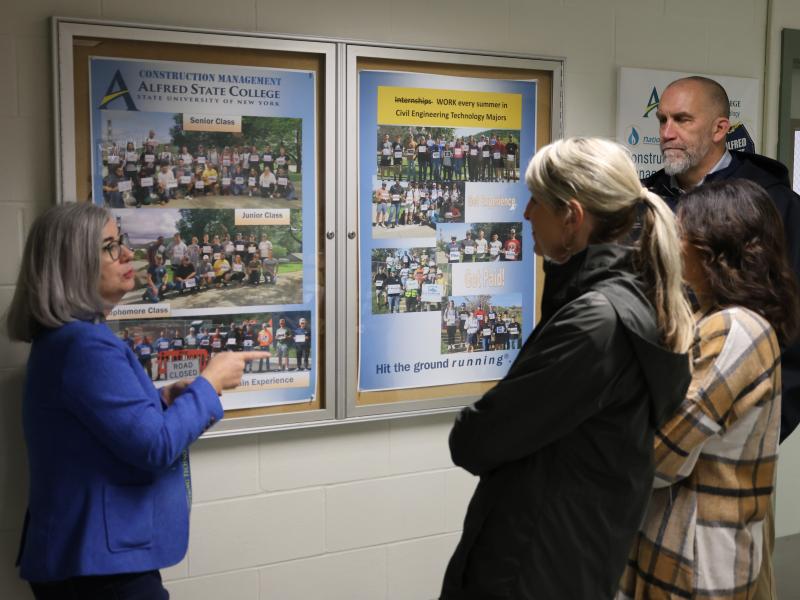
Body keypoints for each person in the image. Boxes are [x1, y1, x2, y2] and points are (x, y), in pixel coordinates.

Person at [440, 137, 694, 599]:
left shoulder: (596, 322)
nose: (525, 214)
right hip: (566, 554)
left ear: (572, 217)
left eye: (536, 200)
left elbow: (476, 439)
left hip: (535, 567)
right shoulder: (631, 299)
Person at [7, 203, 262, 598]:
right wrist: (210, 382)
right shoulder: (83, 345)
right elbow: (155, 446)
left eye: (121, 242)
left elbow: (97, 426)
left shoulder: (67, 340)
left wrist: (165, 399)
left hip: (91, 559)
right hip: (98, 567)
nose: (128, 254)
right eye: (109, 246)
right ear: (74, 263)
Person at [618, 179, 800, 600]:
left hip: (697, 570)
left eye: (680, 234)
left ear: (713, 247)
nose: (673, 245)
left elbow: (660, 458)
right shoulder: (711, 317)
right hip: (673, 553)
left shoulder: (736, 330)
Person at [643, 76, 800, 444]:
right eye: (662, 120)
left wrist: (772, 418)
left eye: (682, 120)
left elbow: (793, 315)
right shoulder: (646, 200)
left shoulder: (772, 206)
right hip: (654, 414)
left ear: (720, 128)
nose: (667, 132)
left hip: (739, 419)